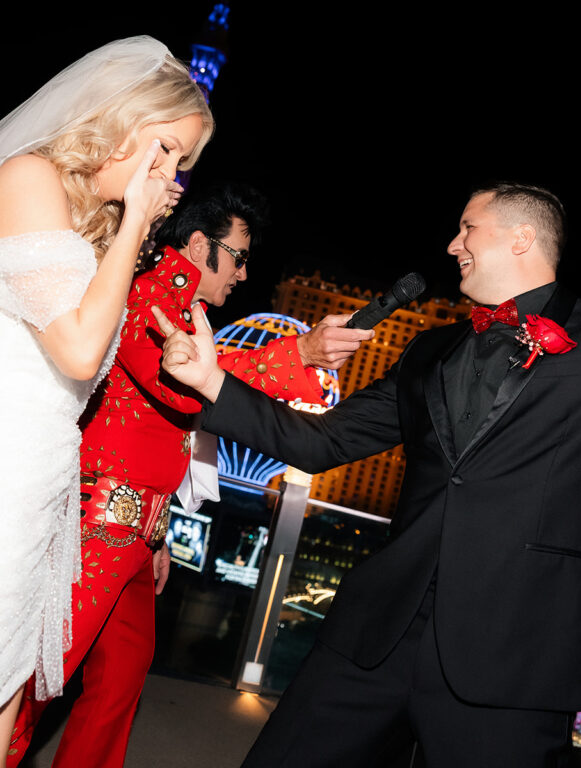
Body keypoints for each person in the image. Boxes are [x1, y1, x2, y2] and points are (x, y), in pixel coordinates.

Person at [154, 179, 581, 768]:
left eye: (467, 228)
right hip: (378, 635)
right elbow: (322, 441)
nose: (453, 243)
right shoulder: (427, 351)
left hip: (514, 654)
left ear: (521, 238)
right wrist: (211, 384)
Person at [8, 181, 371, 767]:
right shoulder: (144, 293)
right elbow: (179, 384)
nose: (244, 275)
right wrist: (298, 354)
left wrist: (157, 533)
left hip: (135, 531)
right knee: (37, 684)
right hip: (99, 528)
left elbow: (176, 416)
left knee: (117, 689)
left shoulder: (185, 312)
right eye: (239, 257)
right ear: (201, 245)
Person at [0, 36, 214, 758]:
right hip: (8, 453)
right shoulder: (30, 175)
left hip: (45, 471)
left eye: (181, 164)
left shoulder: (92, 223)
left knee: (9, 684)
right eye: (164, 150)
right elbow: (79, 349)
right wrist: (136, 223)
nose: (170, 176)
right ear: (121, 119)